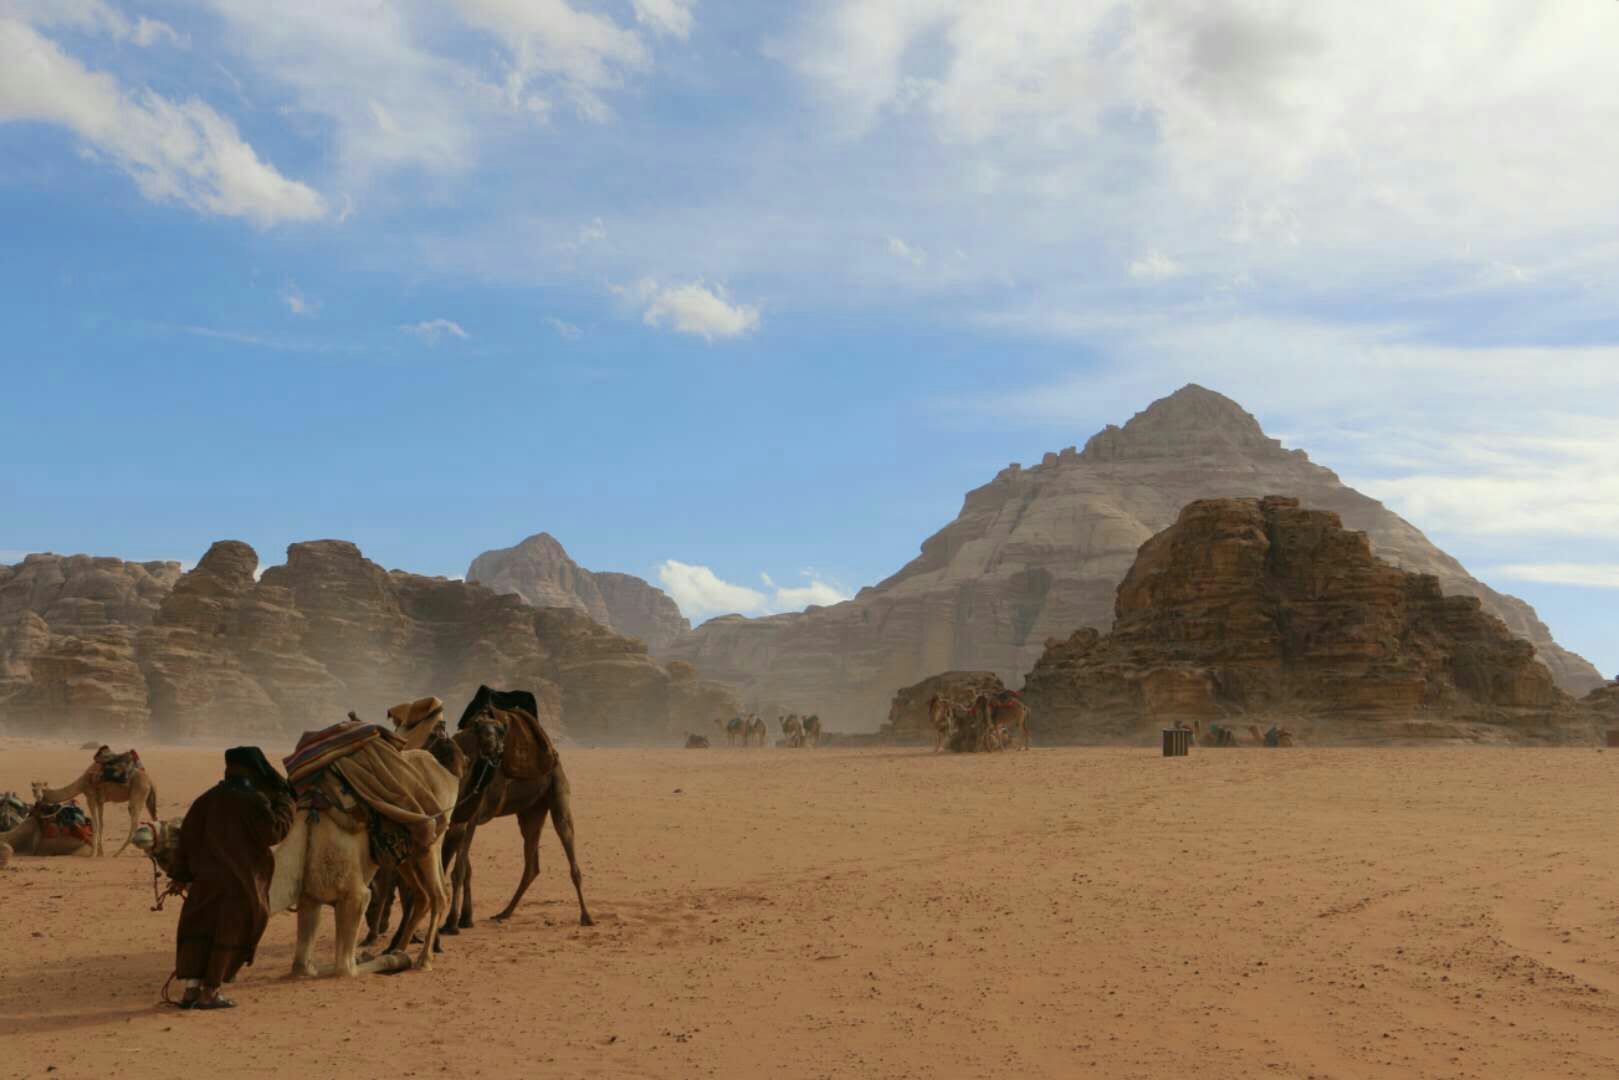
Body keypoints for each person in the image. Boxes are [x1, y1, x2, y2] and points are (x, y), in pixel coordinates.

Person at [168, 746, 294, 1010]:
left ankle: (191, 991)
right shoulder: (255, 801)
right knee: (230, 933)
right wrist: (285, 805)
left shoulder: (205, 799)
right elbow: (273, 834)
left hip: (205, 882)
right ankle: (210, 992)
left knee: (198, 930)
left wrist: (179, 876)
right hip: (241, 884)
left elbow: (186, 840)